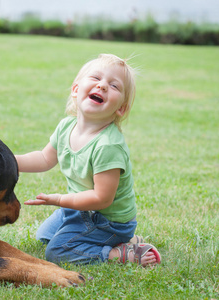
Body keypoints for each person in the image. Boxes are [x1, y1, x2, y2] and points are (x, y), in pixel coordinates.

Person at [15, 54, 161, 267]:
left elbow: (102, 198)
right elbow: (44, 158)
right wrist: (8, 161)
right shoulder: (66, 126)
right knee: (44, 236)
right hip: (80, 209)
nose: (102, 86)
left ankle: (121, 252)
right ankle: (119, 242)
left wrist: (59, 199)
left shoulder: (108, 145)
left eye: (114, 86)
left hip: (107, 221)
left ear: (121, 108)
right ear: (76, 90)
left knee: (56, 250)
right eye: (95, 78)